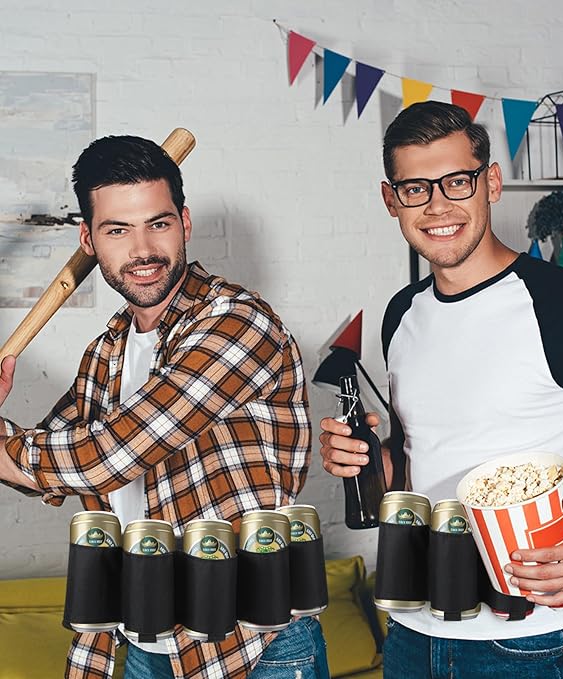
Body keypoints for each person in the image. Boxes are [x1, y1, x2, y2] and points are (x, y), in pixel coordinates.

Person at [319, 101, 563, 678]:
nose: (437, 205)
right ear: (391, 200)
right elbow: (422, 459)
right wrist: (364, 460)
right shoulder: (401, 314)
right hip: (411, 635)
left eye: (456, 182)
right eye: (415, 188)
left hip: (529, 643)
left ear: (490, 183)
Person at [0, 135, 330, 679]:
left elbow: (104, 457)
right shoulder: (107, 351)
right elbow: (48, 468)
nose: (143, 250)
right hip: (141, 640)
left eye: (158, 223)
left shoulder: (237, 323)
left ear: (185, 223)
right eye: (117, 230)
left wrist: (17, 454)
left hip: (250, 645)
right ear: (88, 240)